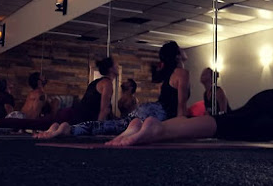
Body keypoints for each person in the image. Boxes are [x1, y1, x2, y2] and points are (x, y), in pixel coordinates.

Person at [107, 2, 273, 151]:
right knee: (221, 126)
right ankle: (155, 131)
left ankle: (152, 127)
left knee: (223, 122)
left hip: (270, 101)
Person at [35, 41, 190, 139]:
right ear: (177, 55)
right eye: (180, 49)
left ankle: (69, 128)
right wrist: (182, 132)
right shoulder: (182, 73)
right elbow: (181, 107)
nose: (184, 51)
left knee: (116, 126)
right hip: (157, 112)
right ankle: (68, 129)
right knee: (116, 127)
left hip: (151, 110)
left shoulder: (169, 75)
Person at [0, 59, 118, 137]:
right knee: (35, 123)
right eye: (116, 65)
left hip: (72, 114)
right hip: (73, 116)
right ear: (111, 69)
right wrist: (98, 130)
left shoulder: (97, 82)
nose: (117, 66)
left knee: (35, 123)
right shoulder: (107, 84)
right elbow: (103, 109)